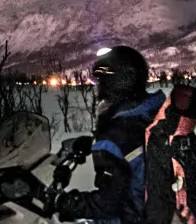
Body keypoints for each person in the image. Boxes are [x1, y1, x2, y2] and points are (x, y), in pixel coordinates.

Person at [51, 45, 166, 224]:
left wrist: (63, 203)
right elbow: (134, 146)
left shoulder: (117, 134)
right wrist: (92, 143)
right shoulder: (153, 115)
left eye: (102, 81)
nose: (99, 87)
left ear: (118, 82)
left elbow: (107, 204)